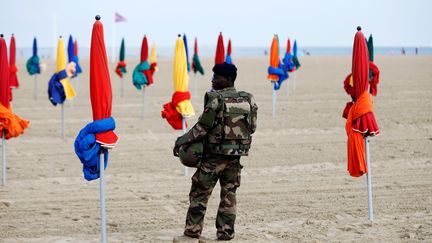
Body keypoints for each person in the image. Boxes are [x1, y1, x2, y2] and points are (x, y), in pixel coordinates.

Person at [173, 62, 258, 241]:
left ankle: (192, 233)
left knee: (199, 193)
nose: (212, 80)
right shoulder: (248, 99)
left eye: (216, 77)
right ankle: (225, 234)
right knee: (229, 196)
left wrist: (180, 141)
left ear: (227, 79)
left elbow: (201, 128)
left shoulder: (215, 99)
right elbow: (253, 128)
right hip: (235, 157)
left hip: (213, 158)